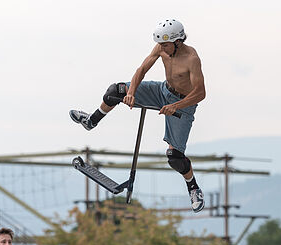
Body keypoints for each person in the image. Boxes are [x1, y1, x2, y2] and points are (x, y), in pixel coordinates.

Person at [69, 19, 206, 213]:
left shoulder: (192, 59)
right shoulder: (161, 48)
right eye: (160, 44)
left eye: (166, 44)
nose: (162, 48)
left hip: (184, 104)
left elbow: (200, 93)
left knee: (175, 157)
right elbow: (141, 70)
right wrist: (131, 92)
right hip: (162, 91)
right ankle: (92, 121)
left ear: (178, 41)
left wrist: (175, 106)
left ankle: (193, 188)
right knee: (115, 91)